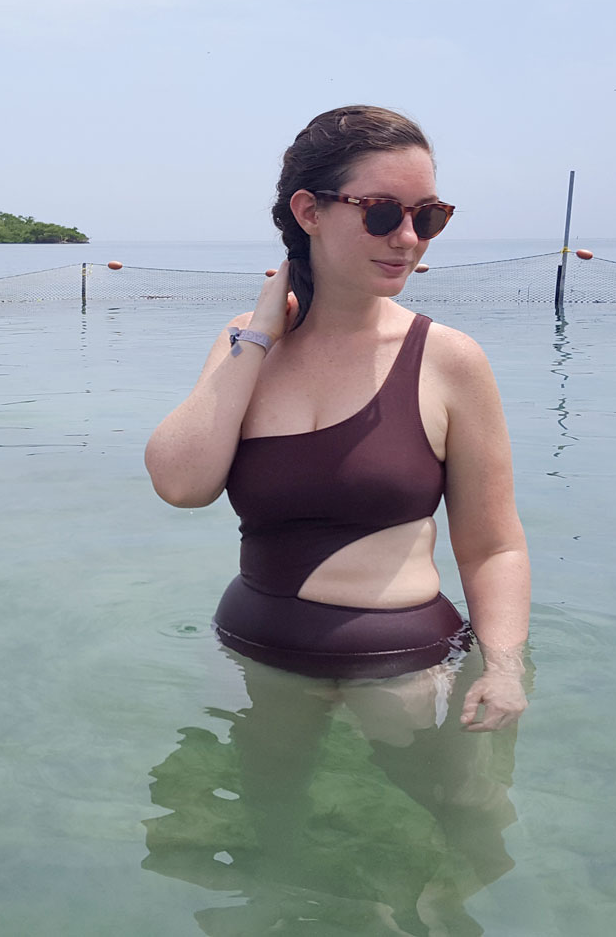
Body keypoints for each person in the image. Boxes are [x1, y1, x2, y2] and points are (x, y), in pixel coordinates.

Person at [142, 107, 531, 927]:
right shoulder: (247, 344)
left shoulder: (449, 358)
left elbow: (492, 542)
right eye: (384, 212)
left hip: (406, 668)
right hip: (258, 659)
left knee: (470, 835)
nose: (409, 239)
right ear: (308, 212)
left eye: (428, 216)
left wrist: (503, 665)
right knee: (270, 843)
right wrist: (256, 334)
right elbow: (180, 483)